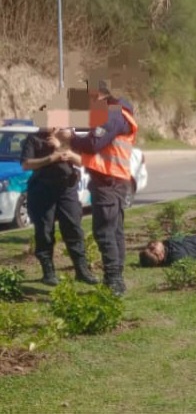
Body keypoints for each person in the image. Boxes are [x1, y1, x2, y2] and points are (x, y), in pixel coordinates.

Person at [54, 80, 137, 296]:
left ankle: (114, 281)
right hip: (113, 181)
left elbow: (93, 144)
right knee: (114, 231)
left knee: (105, 232)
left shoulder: (112, 115)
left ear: (100, 95)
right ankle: (116, 278)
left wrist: (70, 138)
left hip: (108, 182)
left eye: (89, 97)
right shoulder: (119, 113)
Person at [20, 127, 98, 286]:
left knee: (73, 228)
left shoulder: (68, 137)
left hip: (66, 189)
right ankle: (48, 273)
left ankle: (81, 270)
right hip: (42, 190)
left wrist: (61, 148)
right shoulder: (34, 138)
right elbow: (26, 164)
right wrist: (51, 158)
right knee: (44, 231)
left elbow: (84, 160)